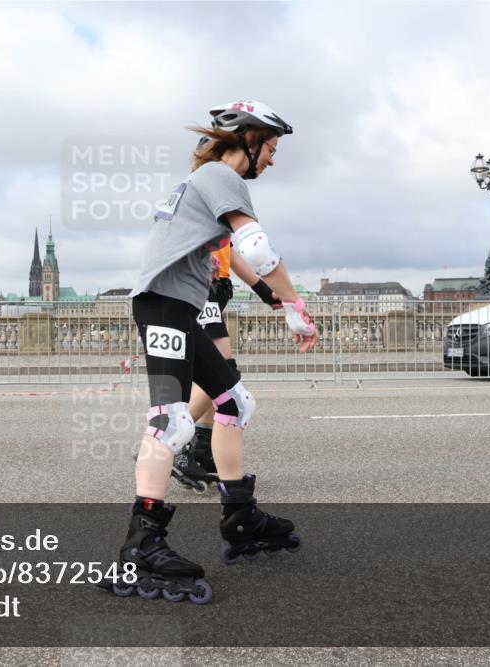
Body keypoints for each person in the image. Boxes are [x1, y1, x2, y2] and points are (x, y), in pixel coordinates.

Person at [102, 100, 318, 604]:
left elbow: (233, 259)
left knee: (235, 404)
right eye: (272, 147)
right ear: (248, 138)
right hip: (163, 308)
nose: (272, 159)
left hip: (179, 307)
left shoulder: (205, 181)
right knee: (170, 421)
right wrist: (292, 304)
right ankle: (142, 545)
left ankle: (239, 517)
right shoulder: (222, 175)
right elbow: (257, 250)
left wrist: (273, 298)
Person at [172, 241, 283, 493]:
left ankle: (201, 442)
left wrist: (263, 291)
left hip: (214, 284)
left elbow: (229, 252)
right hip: (201, 280)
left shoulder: (219, 215)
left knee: (212, 373)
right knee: (223, 373)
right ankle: (172, 441)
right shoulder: (206, 205)